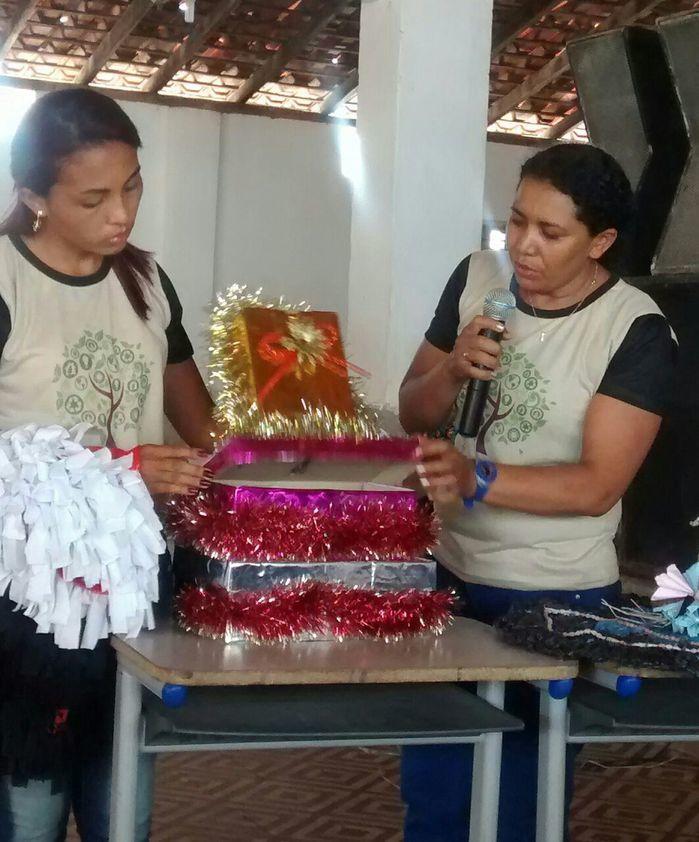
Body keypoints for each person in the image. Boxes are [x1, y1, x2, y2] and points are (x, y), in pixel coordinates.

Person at [399, 143, 677, 842]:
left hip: (555, 597)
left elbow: (596, 486)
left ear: (600, 242)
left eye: (549, 233)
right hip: (448, 578)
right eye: (515, 222)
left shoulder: (632, 328)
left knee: (517, 801)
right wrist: (453, 370)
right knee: (433, 795)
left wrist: (476, 478)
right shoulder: (474, 279)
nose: (522, 246)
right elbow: (412, 410)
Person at [0, 89, 215, 841]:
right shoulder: (7, 281)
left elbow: (204, 427)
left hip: (131, 584)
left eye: (132, 186)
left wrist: (289, 443)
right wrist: (121, 469)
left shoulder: (147, 284)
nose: (120, 214)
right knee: (29, 793)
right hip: (28, 602)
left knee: (121, 787)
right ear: (31, 195)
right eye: (93, 198)